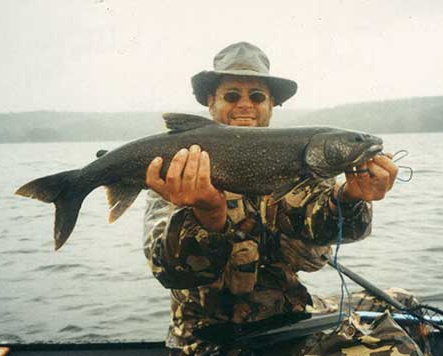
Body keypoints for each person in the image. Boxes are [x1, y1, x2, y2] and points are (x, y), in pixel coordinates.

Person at [143, 42, 420, 356]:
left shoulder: (307, 165)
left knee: (402, 301)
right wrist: (207, 213)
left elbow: (324, 228)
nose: (245, 105)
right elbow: (169, 272)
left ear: (271, 104)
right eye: (232, 95)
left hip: (291, 322)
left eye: (257, 96)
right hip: (210, 339)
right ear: (211, 102)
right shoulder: (177, 171)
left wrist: (349, 197)